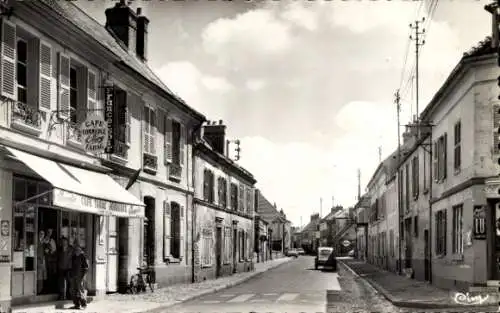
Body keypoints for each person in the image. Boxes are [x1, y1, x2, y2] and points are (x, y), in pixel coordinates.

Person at [70, 245, 89, 309]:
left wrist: (82, 276)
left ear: (80, 250)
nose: (76, 251)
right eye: (75, 250)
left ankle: (84, 304)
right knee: (73, 290)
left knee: (80, 290)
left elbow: (86, 267)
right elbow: (72, 266)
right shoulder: (74, 256)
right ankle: (76, 304)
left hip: (80, 276)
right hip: (74, 276)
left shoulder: (82, 256)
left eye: (78, 250)